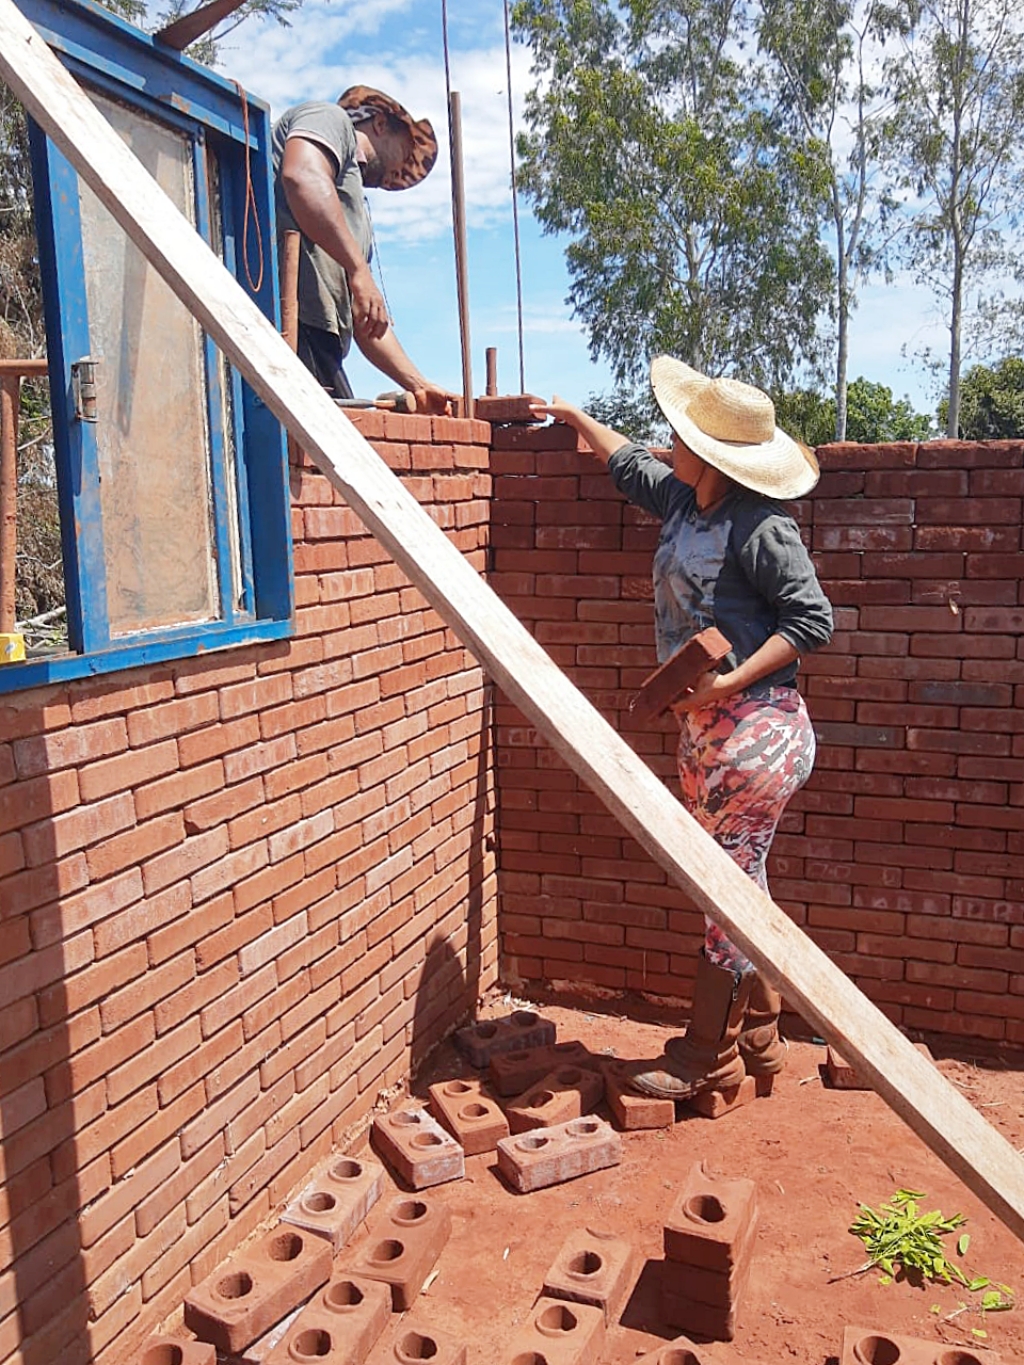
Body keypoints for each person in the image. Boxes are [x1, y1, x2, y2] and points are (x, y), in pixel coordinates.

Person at [532, 357, 834, 1102]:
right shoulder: (683, 499)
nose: (669, 440)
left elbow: (812, 619)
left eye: (683, 435)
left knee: (724, 887)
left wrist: (730, 679)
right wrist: (573, 417)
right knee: (742, 882)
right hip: (707, 729)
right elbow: (627, 462)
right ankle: (760, 1036)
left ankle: (710, 1054)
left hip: (758, 729)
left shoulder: (761, 525)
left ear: (716, 454)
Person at [272, 85, 451, 405]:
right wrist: (358, 270)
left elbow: (366, 318)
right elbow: (301, 175)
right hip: (286, 326)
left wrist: (418, 385)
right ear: (380, 124)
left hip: (319, 342)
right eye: (406, 154)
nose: (400, 173)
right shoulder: (330, 119)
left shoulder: (351, 222)